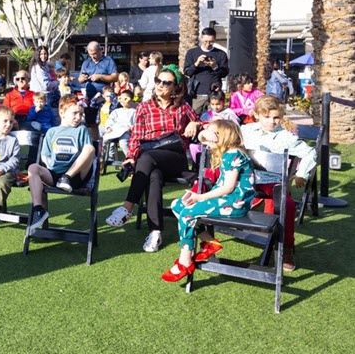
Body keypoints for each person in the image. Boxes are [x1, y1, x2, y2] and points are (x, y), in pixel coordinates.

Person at [105, 65, 201, 253]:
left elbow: (202, 122)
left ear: (175, 87)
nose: (161, 85)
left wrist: (194, 122)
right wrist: (131, 157)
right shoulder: (144, 107)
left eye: (167, 83)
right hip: (150, 160)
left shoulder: (182, 106)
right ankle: (155, 232)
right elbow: (136, 136)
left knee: (146, 157)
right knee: (153, 176)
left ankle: (127, 207)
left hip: (174, 158)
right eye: (158, 81)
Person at [163, 120, 255, 282]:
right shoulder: (227, 152)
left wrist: (200, 197)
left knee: (187, 214)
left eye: (212, 137)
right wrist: (205, 134)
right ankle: (209, 242)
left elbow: (228, 188)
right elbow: (201, 137)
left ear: (223, 137)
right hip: (223, 200)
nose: (206, 142)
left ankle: (185, 260)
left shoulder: (234, 155)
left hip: (234, 204)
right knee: (177, 205)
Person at [234, 94, 316, 271]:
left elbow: (310, 153)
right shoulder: (245, 130)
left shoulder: (286, 137)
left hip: (271, 180)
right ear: (256, 115)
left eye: (276, 117)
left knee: (287, 204)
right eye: (267, 117)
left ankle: (286, 248)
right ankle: (206, 232)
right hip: (245, 177)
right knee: (212, 178)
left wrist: (301, 173)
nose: (272, 121)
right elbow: (226, 139)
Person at [27, 95, 96, 231]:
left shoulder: (81, 130)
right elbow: (45, 155)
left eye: (81, 114)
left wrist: (68, 174)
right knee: (33, 167)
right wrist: (51, 168)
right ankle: (38, 209)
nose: (78, 117)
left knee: (90, 147)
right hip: (54, 175)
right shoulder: (52, 131)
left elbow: (88, 153)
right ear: (62, 112)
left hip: (75, 177)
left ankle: (67, 177)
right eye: (75, 113)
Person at [183, 27, 229, 114]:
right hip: (197, 94)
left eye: (211, 42)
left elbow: (224, 73)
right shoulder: (192, 53)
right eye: (205, 41)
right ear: (201, 38)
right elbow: (187, 72)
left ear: (215, 39)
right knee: (194, 119)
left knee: (214, 120)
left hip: (214, 95)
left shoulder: (221, 54)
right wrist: (197, 63)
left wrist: (215, 66)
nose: (208, 44)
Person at [102, 90, 136, 160]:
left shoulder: (134, 111)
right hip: (115, 130)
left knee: (123, 143)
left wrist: (131, 128)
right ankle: (107, 156)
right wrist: (108, 127)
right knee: (104, 140)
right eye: (121, 98)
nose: (122, 101)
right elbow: (110, 119)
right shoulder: (117, 111)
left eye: (125, 99)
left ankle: (130, 158)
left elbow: (137, 123)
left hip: (126, 131)